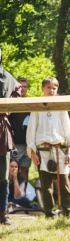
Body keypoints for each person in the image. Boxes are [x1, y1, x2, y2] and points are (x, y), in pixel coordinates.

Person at [26, 77, 70, 218]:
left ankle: (68, 211)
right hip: (43, 151)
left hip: (60, 148)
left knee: (64, 183)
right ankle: (49, 212)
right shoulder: (36, 107)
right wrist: (33, 152)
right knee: (46, 186)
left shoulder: (61, 107)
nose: (51, 90)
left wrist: (69, 151)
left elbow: (68, 130)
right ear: (43, 89)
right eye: (48, 88)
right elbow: (31, 131)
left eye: (54, 88)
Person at [0, 48, 22, 225]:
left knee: (2, 174)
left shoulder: (9, 78)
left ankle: (2, 212)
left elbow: (17, 93)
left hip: (1, 131)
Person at [8, 77, 32, 183]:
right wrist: (10, 142)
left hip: (29, 144)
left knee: (25, 169)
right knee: (12, 170)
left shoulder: (32, 103)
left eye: (25, 86)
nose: (23, 89)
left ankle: (23, 195)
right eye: (20, 86)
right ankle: (11, 195)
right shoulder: (9, 102)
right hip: (15, 143)